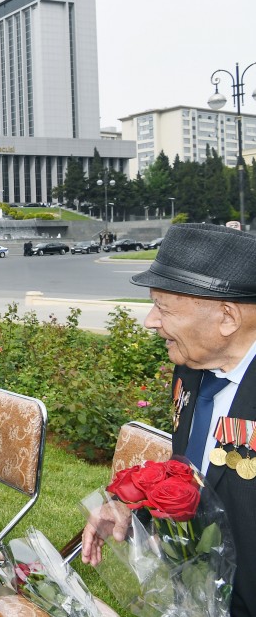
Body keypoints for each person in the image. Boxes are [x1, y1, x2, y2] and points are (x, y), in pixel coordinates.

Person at [82, 223, 256, 617]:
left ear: (227, 317)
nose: (150, 320)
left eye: (163, 306)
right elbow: (197, 475)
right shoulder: (191, 370)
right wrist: (131, 506)